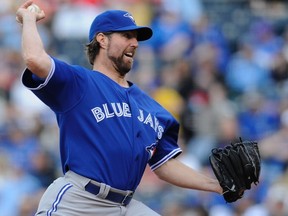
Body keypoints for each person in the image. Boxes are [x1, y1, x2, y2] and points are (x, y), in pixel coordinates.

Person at [16, 1, 222, 215]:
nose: (135, 43)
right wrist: (29, 20)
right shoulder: (79, 83)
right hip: (79, 201)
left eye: (136, 38)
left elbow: (164, 165)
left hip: (124, 206)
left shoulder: (151, 108)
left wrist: (215, 185)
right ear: (102, 39)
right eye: (126, 36)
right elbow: (35, 59)